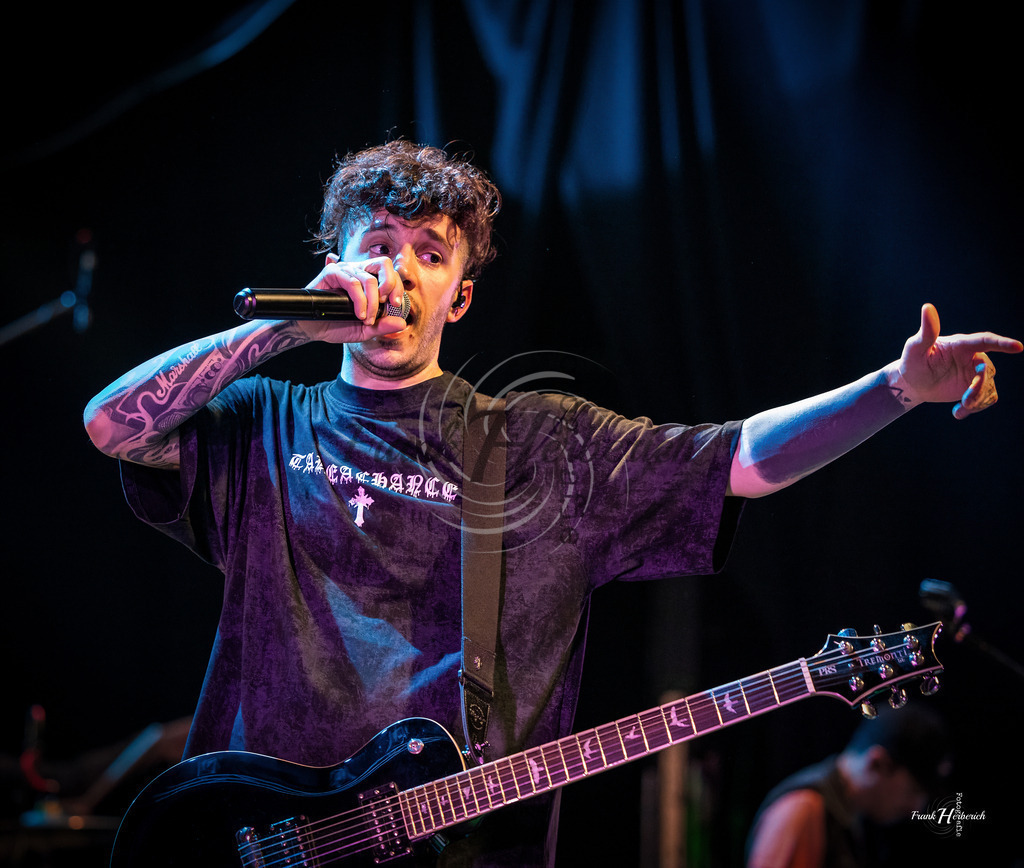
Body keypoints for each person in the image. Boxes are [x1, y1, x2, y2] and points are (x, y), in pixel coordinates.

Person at [83, 140, 1020, 866]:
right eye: (377, 245)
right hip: (244, 839)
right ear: (336, 261)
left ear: (461, 296)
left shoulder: (541, 448)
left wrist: (892, 391)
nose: (399, 273)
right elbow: (111, 425)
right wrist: (283, 326)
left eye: (429, 254)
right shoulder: (260, 422)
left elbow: (740, 459)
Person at [745, 705, 952, 868]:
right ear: (877, 763)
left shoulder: (850, 815)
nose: (916, 808)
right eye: (914, 790)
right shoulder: (804, 807)